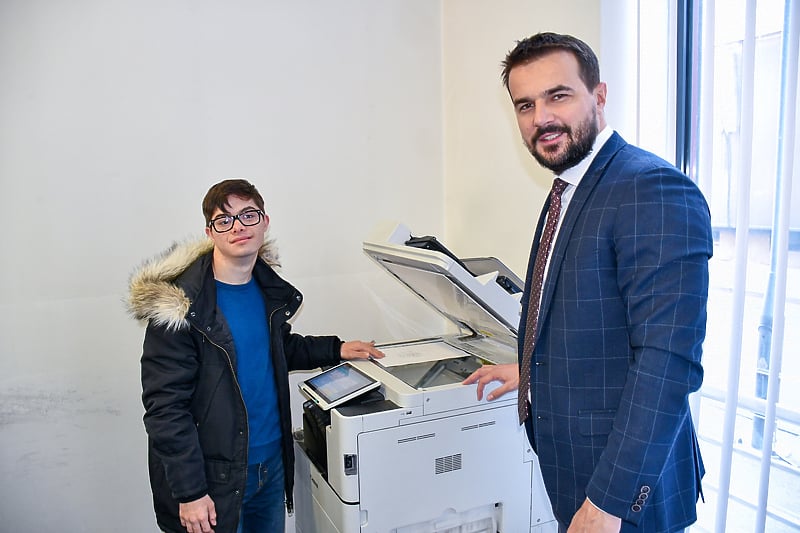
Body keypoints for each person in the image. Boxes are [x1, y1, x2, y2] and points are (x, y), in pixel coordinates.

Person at [463, 33, 712, 533]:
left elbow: (667, 364)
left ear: (598, 96)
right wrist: (532, 369)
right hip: (577, 468)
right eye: (525, 105)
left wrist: (608, 503)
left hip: (623, 490)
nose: (541, 119)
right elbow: (590, 314)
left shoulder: (649, 188)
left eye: (558, 96)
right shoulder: (570, 186)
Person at [127, 178, 383, 533]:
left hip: (271, 464)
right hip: (213, 479)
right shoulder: (182, 307)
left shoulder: (265, 289)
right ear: (210, 232)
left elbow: (278, 348)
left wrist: (336, 348)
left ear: (265, 221)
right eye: (225, 219)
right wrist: (190, 493)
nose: (239, 227)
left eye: (248, 215)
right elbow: (165, 409)